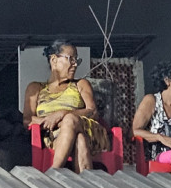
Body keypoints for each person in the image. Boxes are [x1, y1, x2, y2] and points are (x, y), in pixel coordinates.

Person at [23, 40, 109, 172]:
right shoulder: (36, 88)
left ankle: (54, 172)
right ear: (54, 60)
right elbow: (28, 120)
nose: (75, 64)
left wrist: (62, 114)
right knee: (80, 140)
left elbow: (92, 111)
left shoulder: (80, 84)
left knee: (70, 119)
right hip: (54, 137)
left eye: (77, 60)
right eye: (71, 59)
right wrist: (54, 122)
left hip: (88, 130)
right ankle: (86, 186)